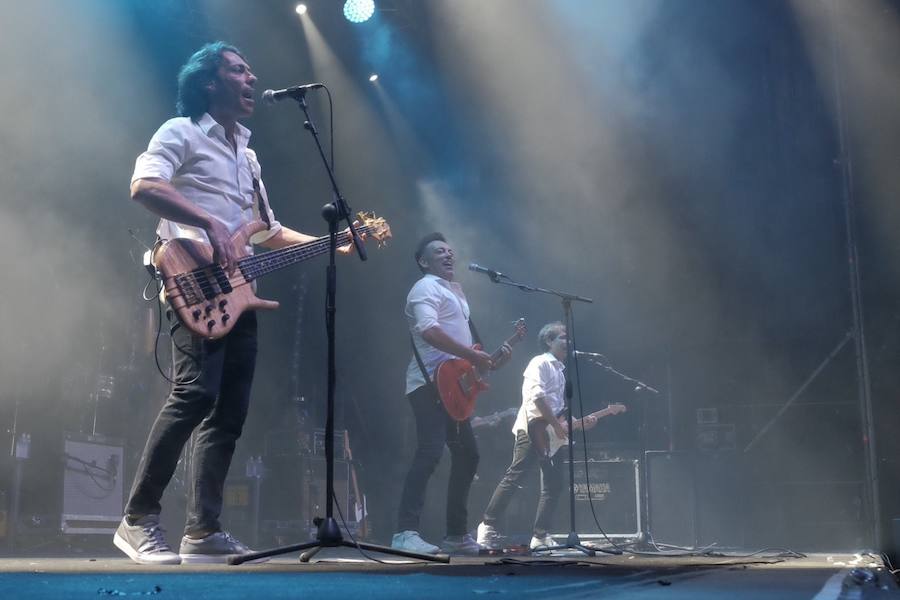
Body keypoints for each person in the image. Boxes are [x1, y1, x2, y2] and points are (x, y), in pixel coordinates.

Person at [114, 41, 343, 565]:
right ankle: (138, 519)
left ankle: (203, 531)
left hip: (237, 295)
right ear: (209, 81)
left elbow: (267, 230)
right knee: (194, 395)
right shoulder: (181, 132)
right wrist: (209, 222)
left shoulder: (249, 152)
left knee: (231, 412)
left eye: (249, 69)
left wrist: (333, 244)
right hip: (191, 279)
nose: (251, 77)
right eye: (239, 69)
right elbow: (144, 185)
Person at [392, 233, 510, 555]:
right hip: (429, 384)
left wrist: (486, 361)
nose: (447, 255)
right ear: (423, 261)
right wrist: (473, 357)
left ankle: (456, 535)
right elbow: (429, 331)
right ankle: (405, 532)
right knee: (429, 452)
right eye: (438, 252)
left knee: (468, 454)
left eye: (449, 251)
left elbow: (468, 353)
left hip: (453, 388)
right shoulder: (425, 287)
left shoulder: (456, 294)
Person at [475, 322, 602, 551]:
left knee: (554, 485)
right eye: (563, 337)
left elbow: (558, 410)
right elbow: (537, 398)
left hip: (552, 433)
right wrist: (556, 424)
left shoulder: (560, 371)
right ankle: (487, 526)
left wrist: (580, 425)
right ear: (548, 341)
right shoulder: (540, 362)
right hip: (532, 427)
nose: (568, 342)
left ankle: (540, 536)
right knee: (516, 475)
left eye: (568, 338)